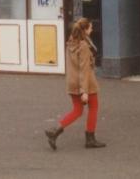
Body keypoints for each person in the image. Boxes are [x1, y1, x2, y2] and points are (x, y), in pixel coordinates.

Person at [44, 18, 106, 150]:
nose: (92, 29)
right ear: (84, 30)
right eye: (90, 28)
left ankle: (55, 131)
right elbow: (84, 68)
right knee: (93, 108)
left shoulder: (71, 42)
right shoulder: (83, 46)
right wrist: (84, 91)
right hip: (86, 82)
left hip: (72, 81)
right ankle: (90, 139)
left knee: (77, 110)